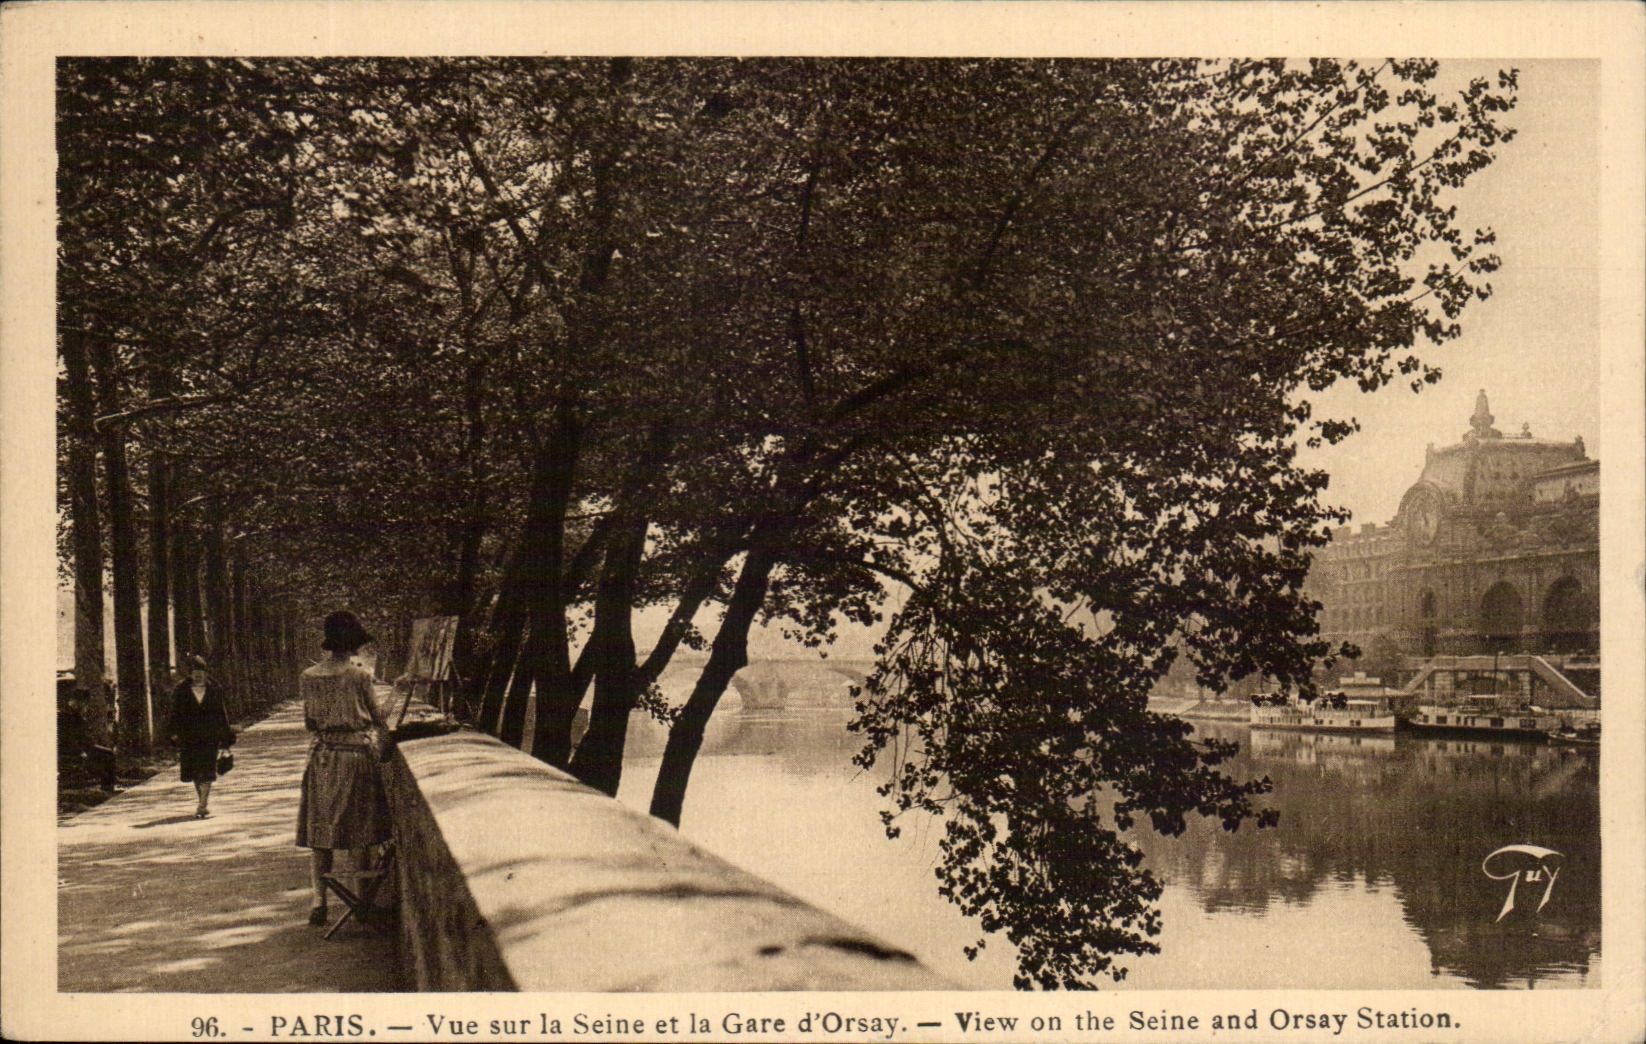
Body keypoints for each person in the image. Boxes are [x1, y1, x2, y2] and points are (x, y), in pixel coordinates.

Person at [296, 610, 392, 927]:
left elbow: (310, 722)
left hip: (322, 757)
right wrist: (401, 691)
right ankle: (361, 899)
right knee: (361, 830)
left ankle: (318, 900)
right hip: (355, 757)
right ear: (352, 646)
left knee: (319, 831)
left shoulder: (308, 677)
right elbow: (378, 718)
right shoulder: (359, 676)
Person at [166, 655, 235, 818]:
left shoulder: (214, 689)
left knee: (208, 769)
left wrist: (225, 737)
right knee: (196, 772)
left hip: (209, 736)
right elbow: (174, 713)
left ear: (206, 673)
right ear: (190, 674)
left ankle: (203, 804)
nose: (198, 675)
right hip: (189, 737)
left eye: (201, 672)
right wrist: (173, 732)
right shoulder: (181, 690)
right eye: (194, 672)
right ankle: (202, 800)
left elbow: (221, 714)